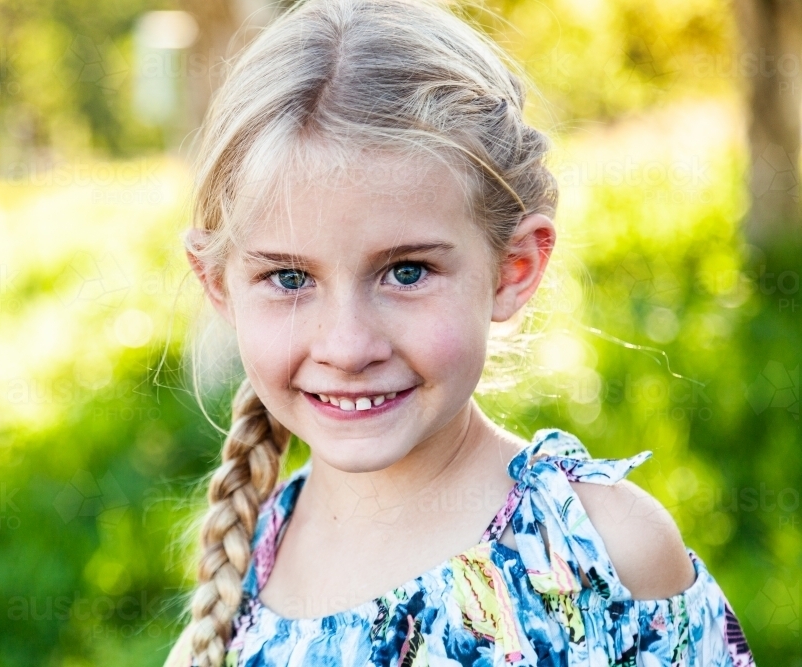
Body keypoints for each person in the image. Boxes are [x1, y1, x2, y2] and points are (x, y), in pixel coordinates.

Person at [163, 0, 757, 664]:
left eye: (407, 271)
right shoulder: (248, 562)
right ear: (219, 286)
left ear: (514, 267)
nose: (348, 346)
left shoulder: (602, 553)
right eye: (291, 279)